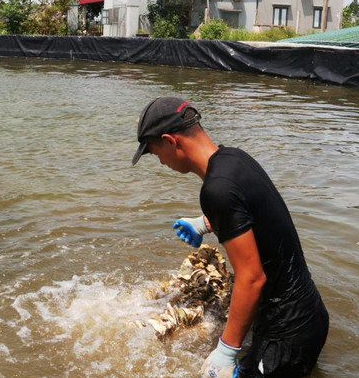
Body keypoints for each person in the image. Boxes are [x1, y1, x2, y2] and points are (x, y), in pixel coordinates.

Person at [131, 96, 328, 378]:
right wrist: (205, 223)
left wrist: (226, 350)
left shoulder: (216, 189)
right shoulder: (233, 159)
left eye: (154, 152)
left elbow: (252, 278)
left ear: (170, 141)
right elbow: (256, 213)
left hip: (286, 332)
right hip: (308, 313)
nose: (160, 162)